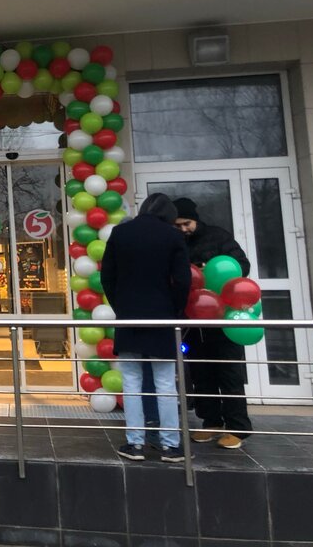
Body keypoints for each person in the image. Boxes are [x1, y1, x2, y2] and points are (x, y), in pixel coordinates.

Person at [101, 193, 192, 462]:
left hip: (129, 316)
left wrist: (121, 306)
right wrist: (175, 310)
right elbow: (183, 280)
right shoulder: (172, 235)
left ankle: (135, 443)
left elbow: (107, 277)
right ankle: (170, 445)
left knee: (131, 381)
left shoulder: (121, 233)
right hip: (162, 317)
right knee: (165, 383)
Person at [173, 197, 253, 450]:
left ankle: (238, 427)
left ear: (195, 219)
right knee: (201, 374)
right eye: (178, 225)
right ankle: (211, 422)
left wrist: (209, 269)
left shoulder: (218, 237)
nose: (183, 229)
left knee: (229, 374)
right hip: (194, 320)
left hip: (223, 319)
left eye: (186, 223)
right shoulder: (176, 243)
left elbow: (242, 265)